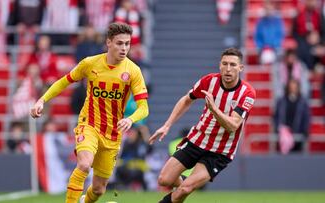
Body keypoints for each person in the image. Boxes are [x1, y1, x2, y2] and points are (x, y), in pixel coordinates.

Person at [30, 22, 149, 203]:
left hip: (112, 134)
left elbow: (144, 108)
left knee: (99, 190)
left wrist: (131, 120)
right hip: (89, 124)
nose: (124, 48)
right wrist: (42, 100)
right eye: (119, 43)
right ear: (108, 42)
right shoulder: (90, 63)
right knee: (84, 165)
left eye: (127, 43)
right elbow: (65, 81)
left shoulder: (133, 71)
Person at [149, 48, 256, 203]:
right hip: (197, 140)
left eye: (233, 65)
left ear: (241, 68)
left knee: (184, 189)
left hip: (220, 151)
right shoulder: (209, 81)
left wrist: (214, 109)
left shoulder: (247, 93)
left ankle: (184, 188)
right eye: (224, 64)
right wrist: (167, 125)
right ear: (219, 65)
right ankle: (185, 186)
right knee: (164, 180)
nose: (228, 69)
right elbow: (187, 99)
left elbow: (233, 126)